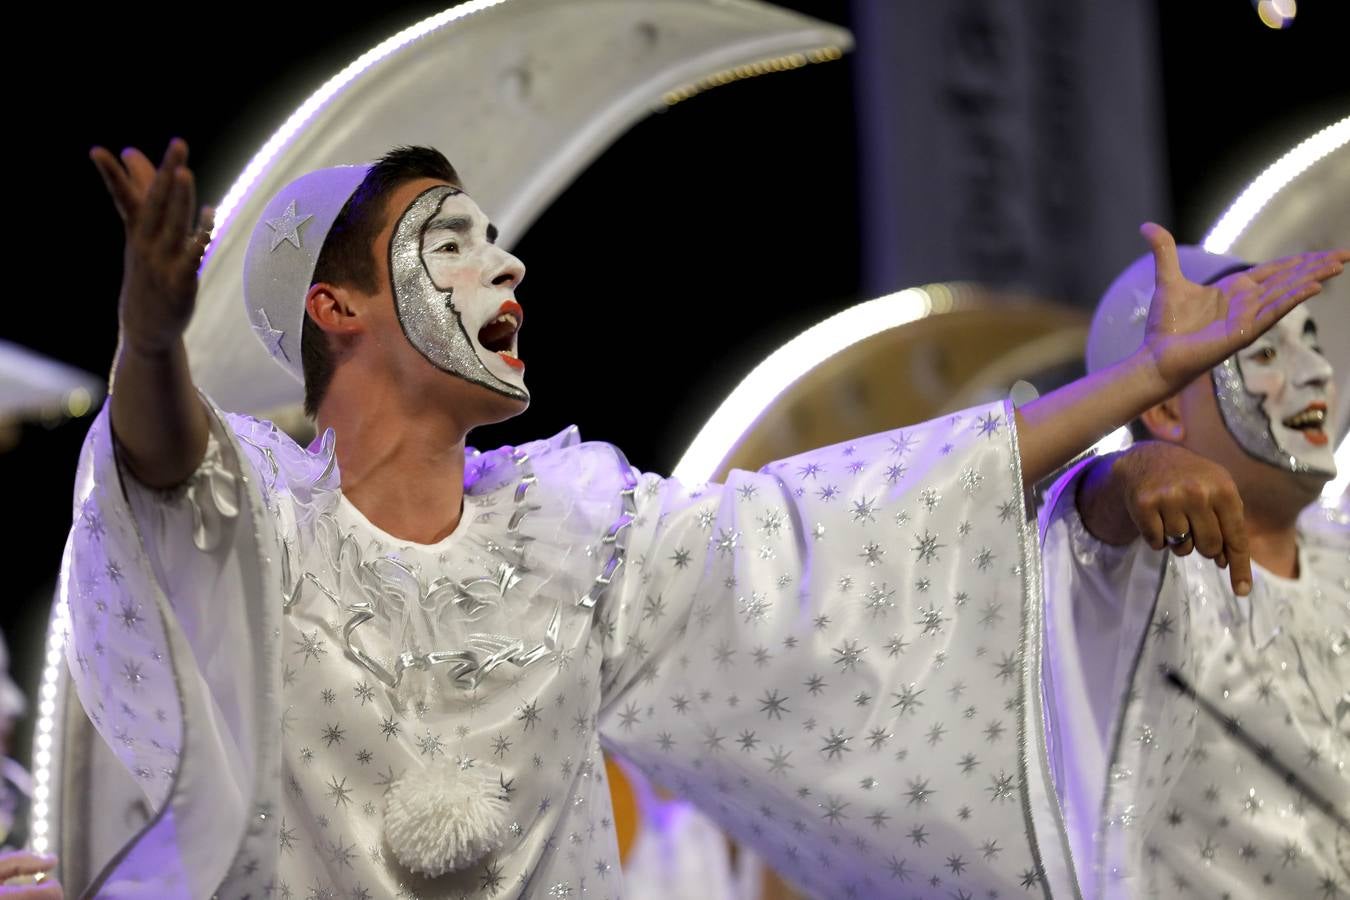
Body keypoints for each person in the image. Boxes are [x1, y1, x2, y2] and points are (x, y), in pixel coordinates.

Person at [66, 136, 1346, 898]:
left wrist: (1137, 384)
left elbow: (862, 511)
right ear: (337, 311)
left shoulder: (577, 532)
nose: (503, 266)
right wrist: (147, 330)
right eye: (450, 244)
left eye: (495, 242)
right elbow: (164, 459)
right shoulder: (259, 518)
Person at [1039, 246, 1349, 899]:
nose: (1319, 372)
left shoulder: (1340, 558)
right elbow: (1091, 538)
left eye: (1310, 343)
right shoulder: (1153, 582)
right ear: (1169, 410)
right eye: (1265, 354)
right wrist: (1126, 473)